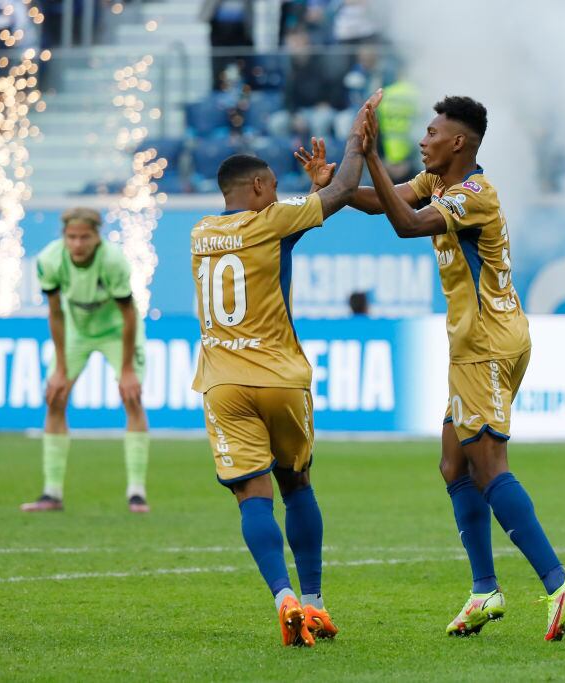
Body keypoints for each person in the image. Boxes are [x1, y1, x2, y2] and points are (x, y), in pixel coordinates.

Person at [302, 94, 565, 642]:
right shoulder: (439, 184)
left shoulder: (476, 193)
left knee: (488, 463)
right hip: (476, 342)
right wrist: (331, 182)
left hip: (486, 342)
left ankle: (558, 582)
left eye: (431, 133)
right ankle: (484, 591)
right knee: (454, 464)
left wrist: (371, 155)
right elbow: (384, 203)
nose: (423, 140)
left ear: (459, 142)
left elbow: (406, 225)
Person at [190, 91, 380, 646]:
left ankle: (284, 597)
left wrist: (309, 195)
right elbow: (343, 192)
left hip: (222, 382)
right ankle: (316, 601)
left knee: (252, 497)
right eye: (273, 186)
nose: (278, 193)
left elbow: (282, 229)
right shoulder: (271, 221)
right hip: (280, 378)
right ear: (255, 188)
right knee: (296, 484)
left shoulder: (202, 233)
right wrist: (354, 144)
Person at [22, 208, 150, 514]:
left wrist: (128, 369)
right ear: (64, 237)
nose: (77, 244)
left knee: (131, 398)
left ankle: (136, 493)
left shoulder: (114, 261)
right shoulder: (49, 260)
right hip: (77, 331)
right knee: (55, 397)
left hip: (117, 332)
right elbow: (55, 312)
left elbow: (128, 314)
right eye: (71, 237)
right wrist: (61, 370)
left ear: (97, 238)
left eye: (85, 237)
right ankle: (51, 494)